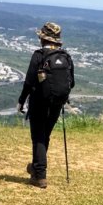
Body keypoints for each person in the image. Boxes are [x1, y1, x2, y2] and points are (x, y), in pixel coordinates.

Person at [16, 22, 75, 188]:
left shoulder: (39, 55)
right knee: (45, 135)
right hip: (57, 102)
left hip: (39, 102)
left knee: (38, 137)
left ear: (43, 38)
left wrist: (21, 100)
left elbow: (29, 82)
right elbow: (72, 82)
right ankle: (36, 169)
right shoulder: (65, 57)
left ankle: (40, 175)